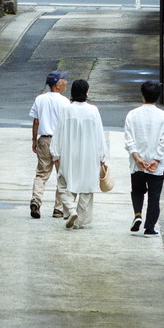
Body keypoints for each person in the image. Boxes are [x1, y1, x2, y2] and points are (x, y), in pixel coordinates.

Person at [50, 78, 108, 229]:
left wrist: (55, 154)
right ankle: (80, 220)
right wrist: (102, 156)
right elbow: (99, 134)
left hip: (69, 153)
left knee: (64, 183)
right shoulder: (93, 110)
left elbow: (59, 132)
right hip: (90, 154)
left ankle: (70, 209)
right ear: (86, 92)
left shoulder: (67, 110)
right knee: (87, 187)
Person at [124, 80, 164, 236]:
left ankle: (137, 214)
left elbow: (129, 139)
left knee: (137, 190)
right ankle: (150, 227)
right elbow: (163, 141)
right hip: (155, 165)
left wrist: (137, 158)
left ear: (142, 95)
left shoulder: (132, 114)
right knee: (154, 195)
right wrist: (156, 159)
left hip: (137, 162)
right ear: (158, 96)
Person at [28, 70, 68, 218]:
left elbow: (36, 121)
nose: (66, 83)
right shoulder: (65, 102)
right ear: (58, 84)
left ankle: (36, 200)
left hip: (44, 140)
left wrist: (34, 140)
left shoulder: (40, 99)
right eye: (64, 80)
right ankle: (58, 208)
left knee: (41, 174)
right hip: (60, 141)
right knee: (62, 175)